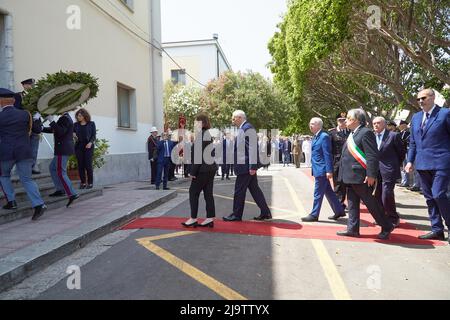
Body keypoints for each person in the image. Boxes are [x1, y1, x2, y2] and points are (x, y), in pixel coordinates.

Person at [336, 109, 394, 240]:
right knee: (352, 203)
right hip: (350, 175)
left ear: (356, 120)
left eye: (348, 118)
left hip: (360, 175)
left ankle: (386, 225)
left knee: (371, 203)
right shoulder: (353, 133)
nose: (346, 120)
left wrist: (371, 174)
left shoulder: (366, 132)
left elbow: (372, 155)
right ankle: (353, 229)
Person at [405, 89, 450, 242]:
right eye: (418, 99)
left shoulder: (445, 114)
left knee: (439, 194)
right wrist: (410, 161)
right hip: (422, 163)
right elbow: (413, 142)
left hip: (441, 162)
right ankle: (437, 229)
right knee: (430, 198)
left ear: (432, 97)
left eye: (423, 98)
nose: (420, 101)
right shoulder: (417, 117)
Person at [0, 88, 47, 220]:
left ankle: (11, 202)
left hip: (6, 152)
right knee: (27, 179)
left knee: (4, 176)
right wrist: (38, 118)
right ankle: (39, 204)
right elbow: (37, 130)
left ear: (0, 102)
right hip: (24, 151)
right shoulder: (26, 114)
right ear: (14, 100)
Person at [223, 110, 272, 222]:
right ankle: (265, 212)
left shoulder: (247, 128)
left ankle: (236, 215)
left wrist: (253, 166)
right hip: (245, 166)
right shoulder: (244, 128)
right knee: (255, 190)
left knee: (239, 191)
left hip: (245, 167)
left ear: (240, 117)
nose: (232, 120)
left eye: (234, 118)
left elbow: (252, 148)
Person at [302, 118, 346, 222]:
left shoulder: (324, 136)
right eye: (310, 123)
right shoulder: (316, 136)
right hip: (318, 168)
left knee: (318, 193)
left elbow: (327, 154)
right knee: (329, 192)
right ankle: (339, 210)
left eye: (312, 124)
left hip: (322, 169)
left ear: (318, 125)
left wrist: (329, 170)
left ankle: (314, 214)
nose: (310, 125)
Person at [182, 114, 218, 228]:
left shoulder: (201, 135)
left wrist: (192, 172)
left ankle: (193, 218)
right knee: (208, 194)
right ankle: (209, 218)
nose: (194, 125)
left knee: (193, 192)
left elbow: (197, 156)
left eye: (196, 122)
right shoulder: (207, 134)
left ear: (201, 123)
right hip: (210, 169)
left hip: (202, 170)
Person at [373, 117, 405, 228]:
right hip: (376, 170)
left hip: (389, 169)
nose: (376, 125)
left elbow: (401, 152)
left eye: (378, 123)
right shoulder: (372, 136)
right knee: (377, 194)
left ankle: (393, 217)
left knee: (386, 193)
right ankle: (382, 217)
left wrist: (395, 164)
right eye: (374, 123)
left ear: (385, 124)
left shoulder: (393, 136)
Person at [43, 112, 79, 208]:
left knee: (60, 172)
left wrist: (51, 121)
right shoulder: (65, 118)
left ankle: (72, 193)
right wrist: (42, 129)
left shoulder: (65, 118)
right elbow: (55, 129)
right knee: (52, 168)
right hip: (63, 149)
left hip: (62, 149)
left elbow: (60, 131)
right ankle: (60, 189)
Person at [329, 113, 350, 209]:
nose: (342, 122)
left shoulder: (351, 132)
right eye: (340, 120)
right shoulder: (332, 133)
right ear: (337, 121)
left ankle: (350, 203)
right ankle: (339, 204)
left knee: (349, 185)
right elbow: (329, 150)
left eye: (344, 120)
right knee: (338, 185)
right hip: (337, 162)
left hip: (349, 163)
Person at [73, 108, 96, 189]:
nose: (78, 117)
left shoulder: (91, 124)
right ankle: (83, 183)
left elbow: (93, 135)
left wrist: (90, 143)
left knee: (88, 165)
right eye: (77, 116)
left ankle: (90, 182)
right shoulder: (75, 125)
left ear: (84, 116)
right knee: (80, 165)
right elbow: (72, 132)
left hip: (88, 147)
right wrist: (73, 134)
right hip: (79, 146)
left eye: (79, 116)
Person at [398, 120, 411, 187]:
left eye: (401, 125)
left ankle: (406, 181)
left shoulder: (407, 133)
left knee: (406, 167)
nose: (400, 127)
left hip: (406, 151)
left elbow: (405, 141)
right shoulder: (400, 133)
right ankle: (404, 181)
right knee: (402, 168)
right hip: (401, 152)